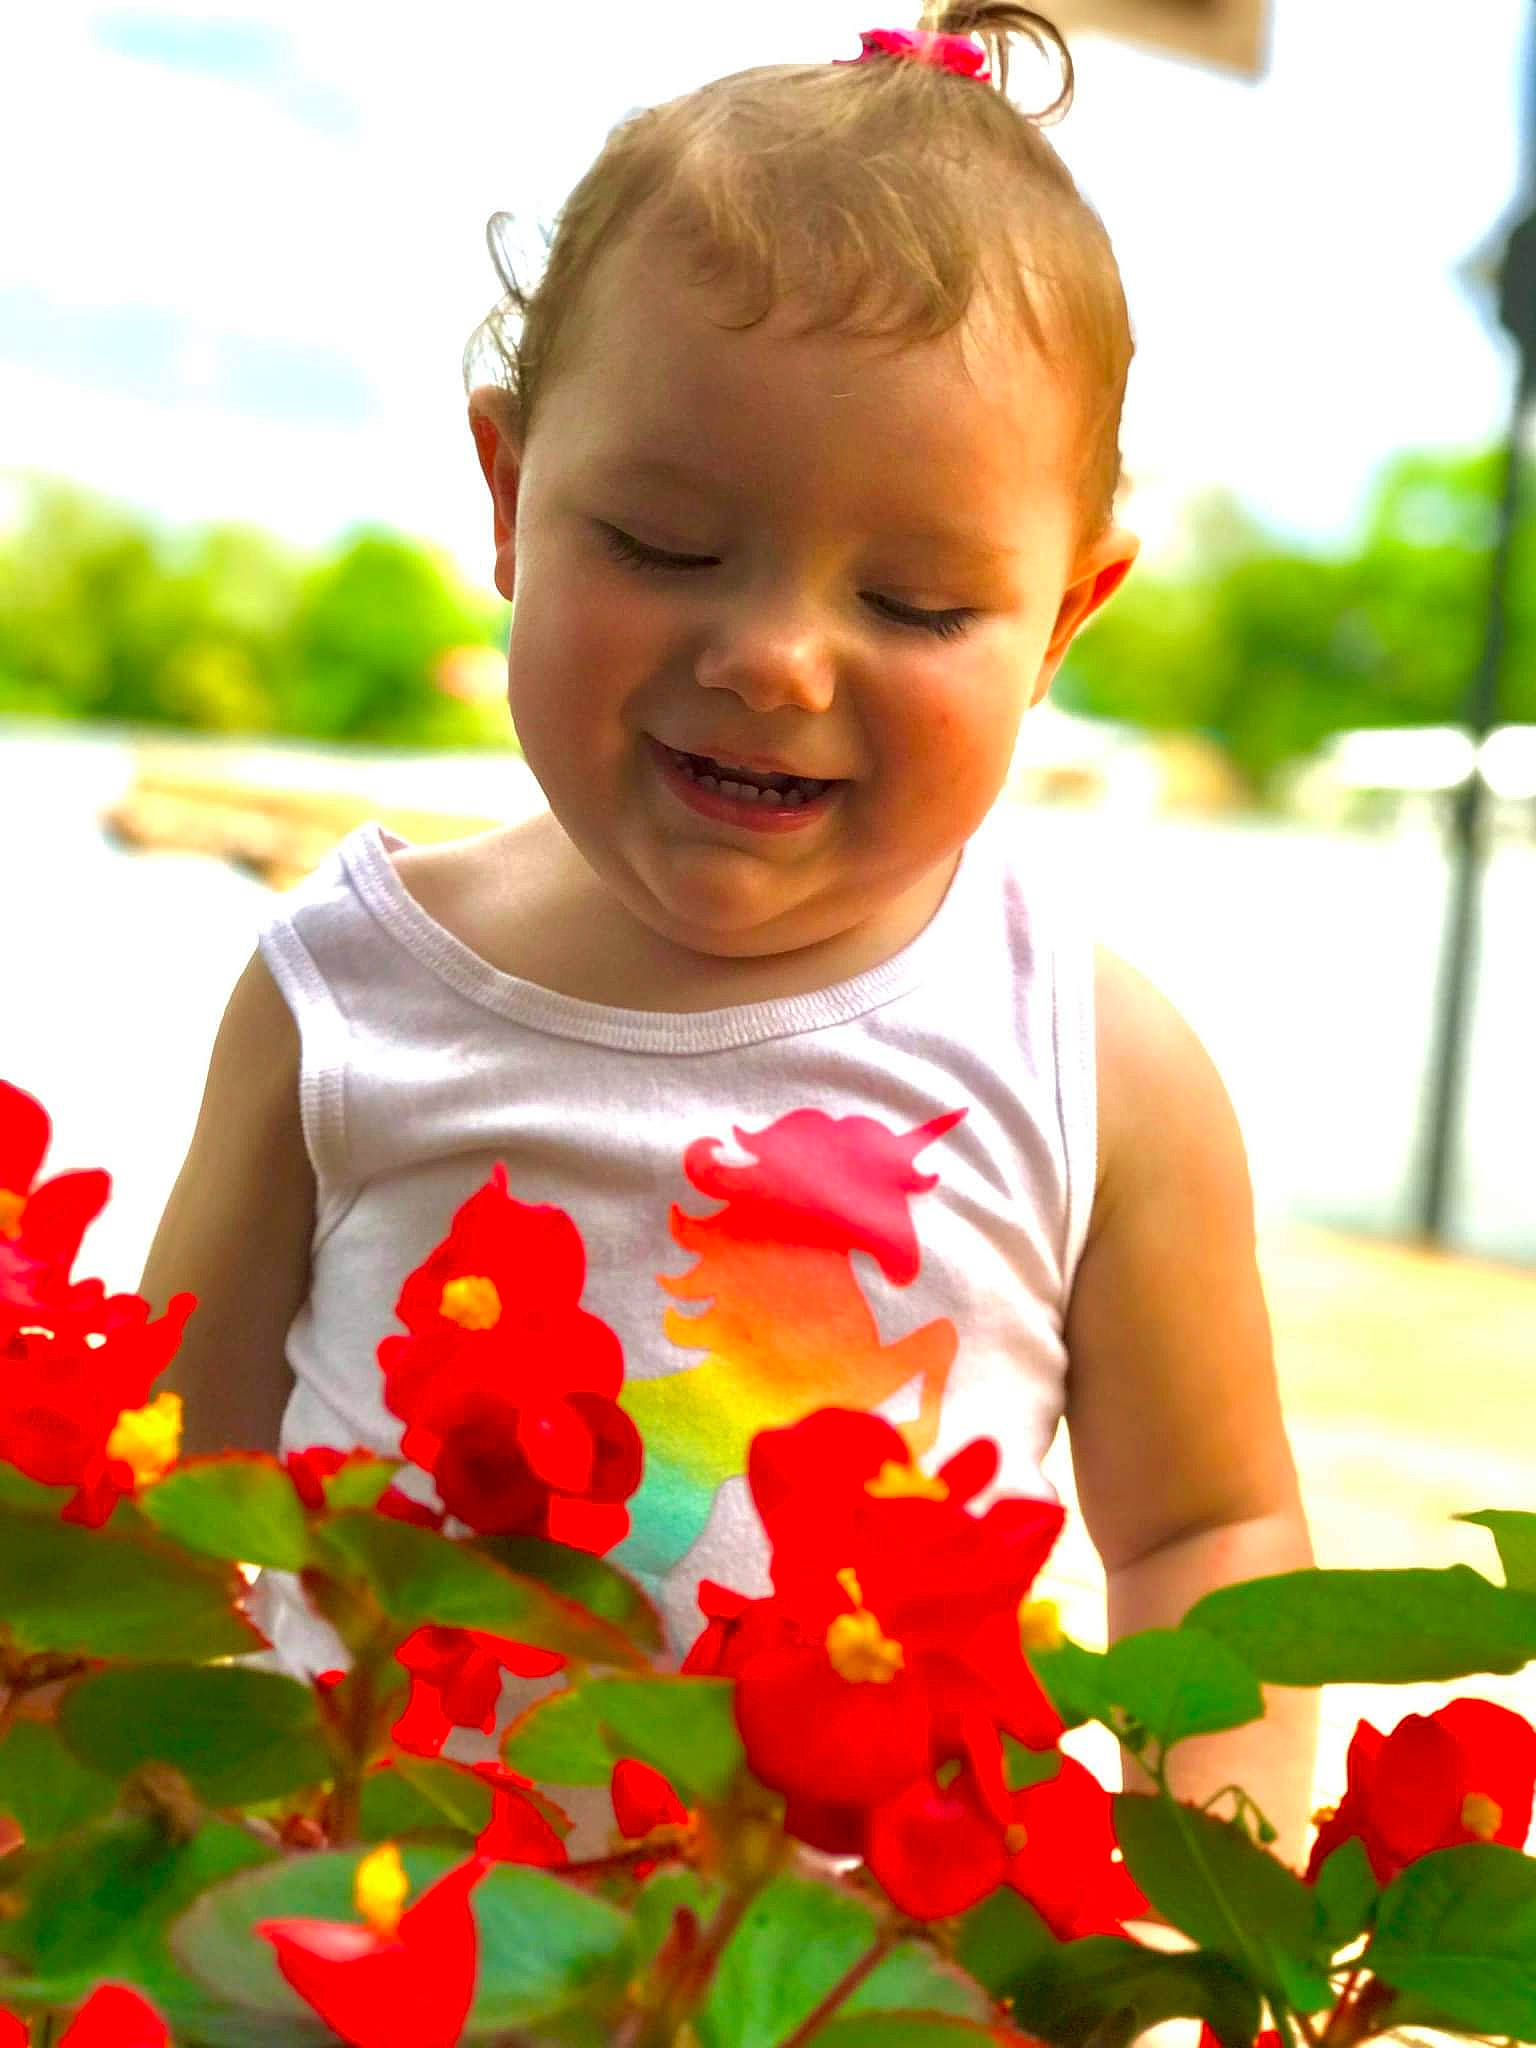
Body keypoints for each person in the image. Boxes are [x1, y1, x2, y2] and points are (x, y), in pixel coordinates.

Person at [142, 2, 1318, 1862]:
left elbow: (1208, 1535)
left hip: (850, 1980)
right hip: (360, 1948)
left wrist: (1194, 1920)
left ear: (1065, 624)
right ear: (513, 497)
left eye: (917, 602)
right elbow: (154, 1506)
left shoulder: (1094, 1063)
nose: (771, 657)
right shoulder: (346, 995)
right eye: (670, 547)